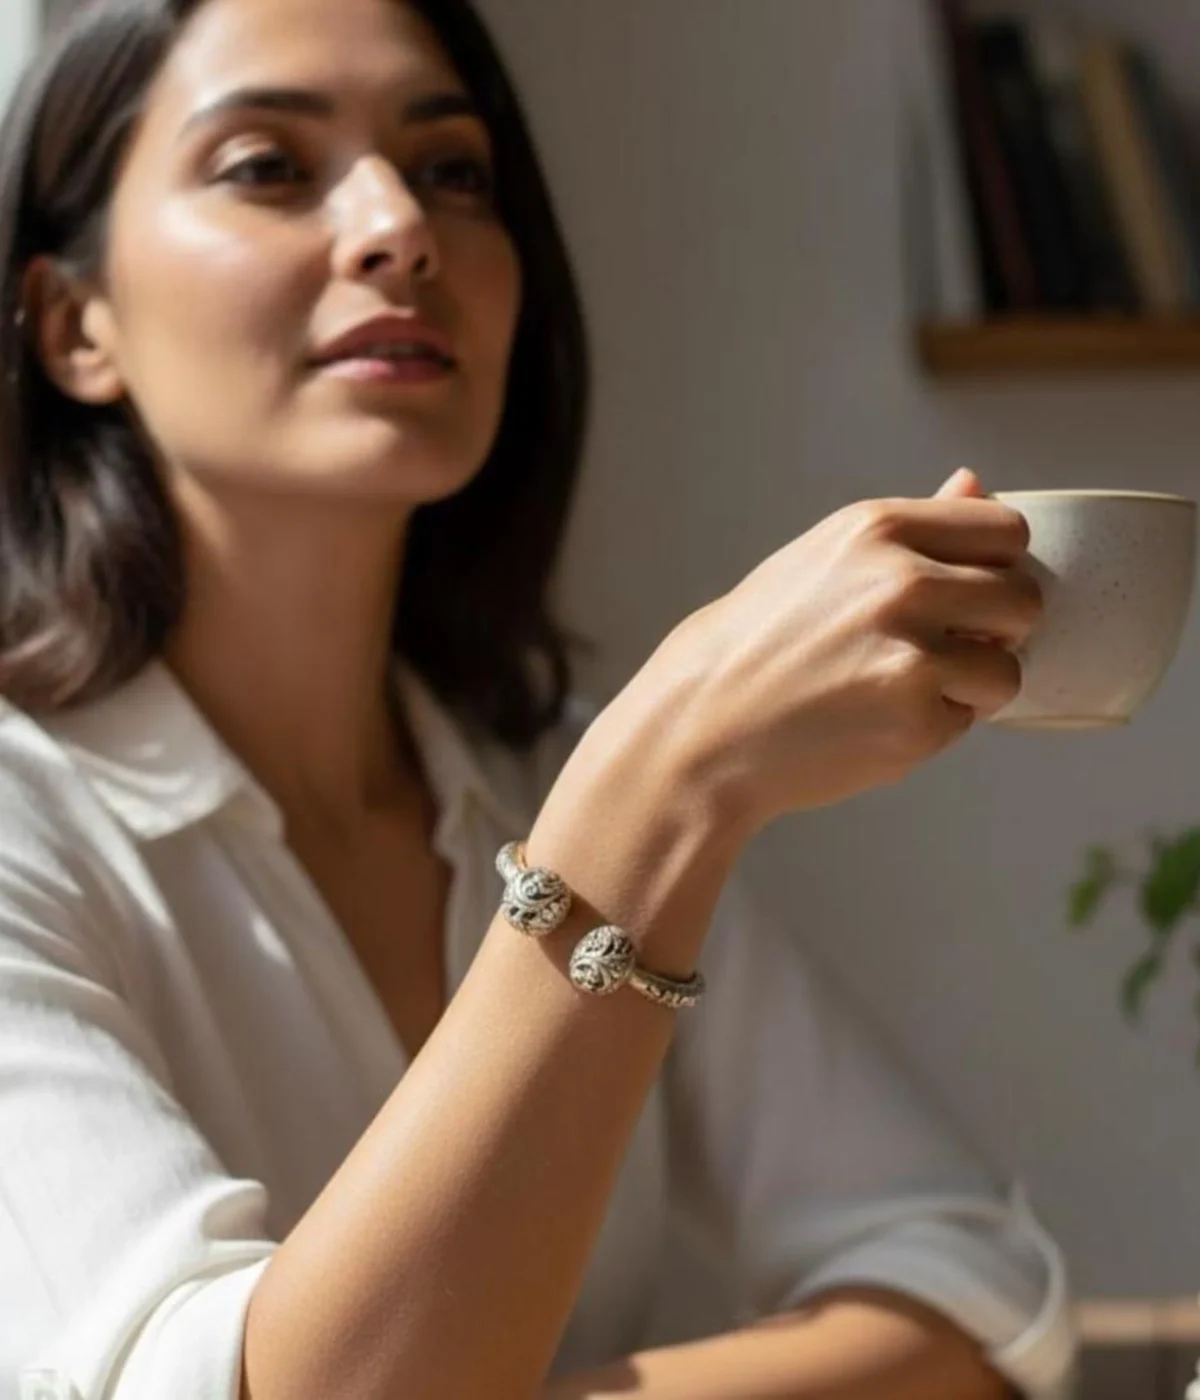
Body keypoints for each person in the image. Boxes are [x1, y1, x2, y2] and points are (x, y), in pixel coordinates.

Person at [0, 1, 1074, 1397]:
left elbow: (982, 1291)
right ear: (75, 326)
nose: (399, 225)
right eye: (268, 165)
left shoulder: (540, 773)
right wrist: (668, 774)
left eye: (453, 171)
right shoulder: (34, 822)